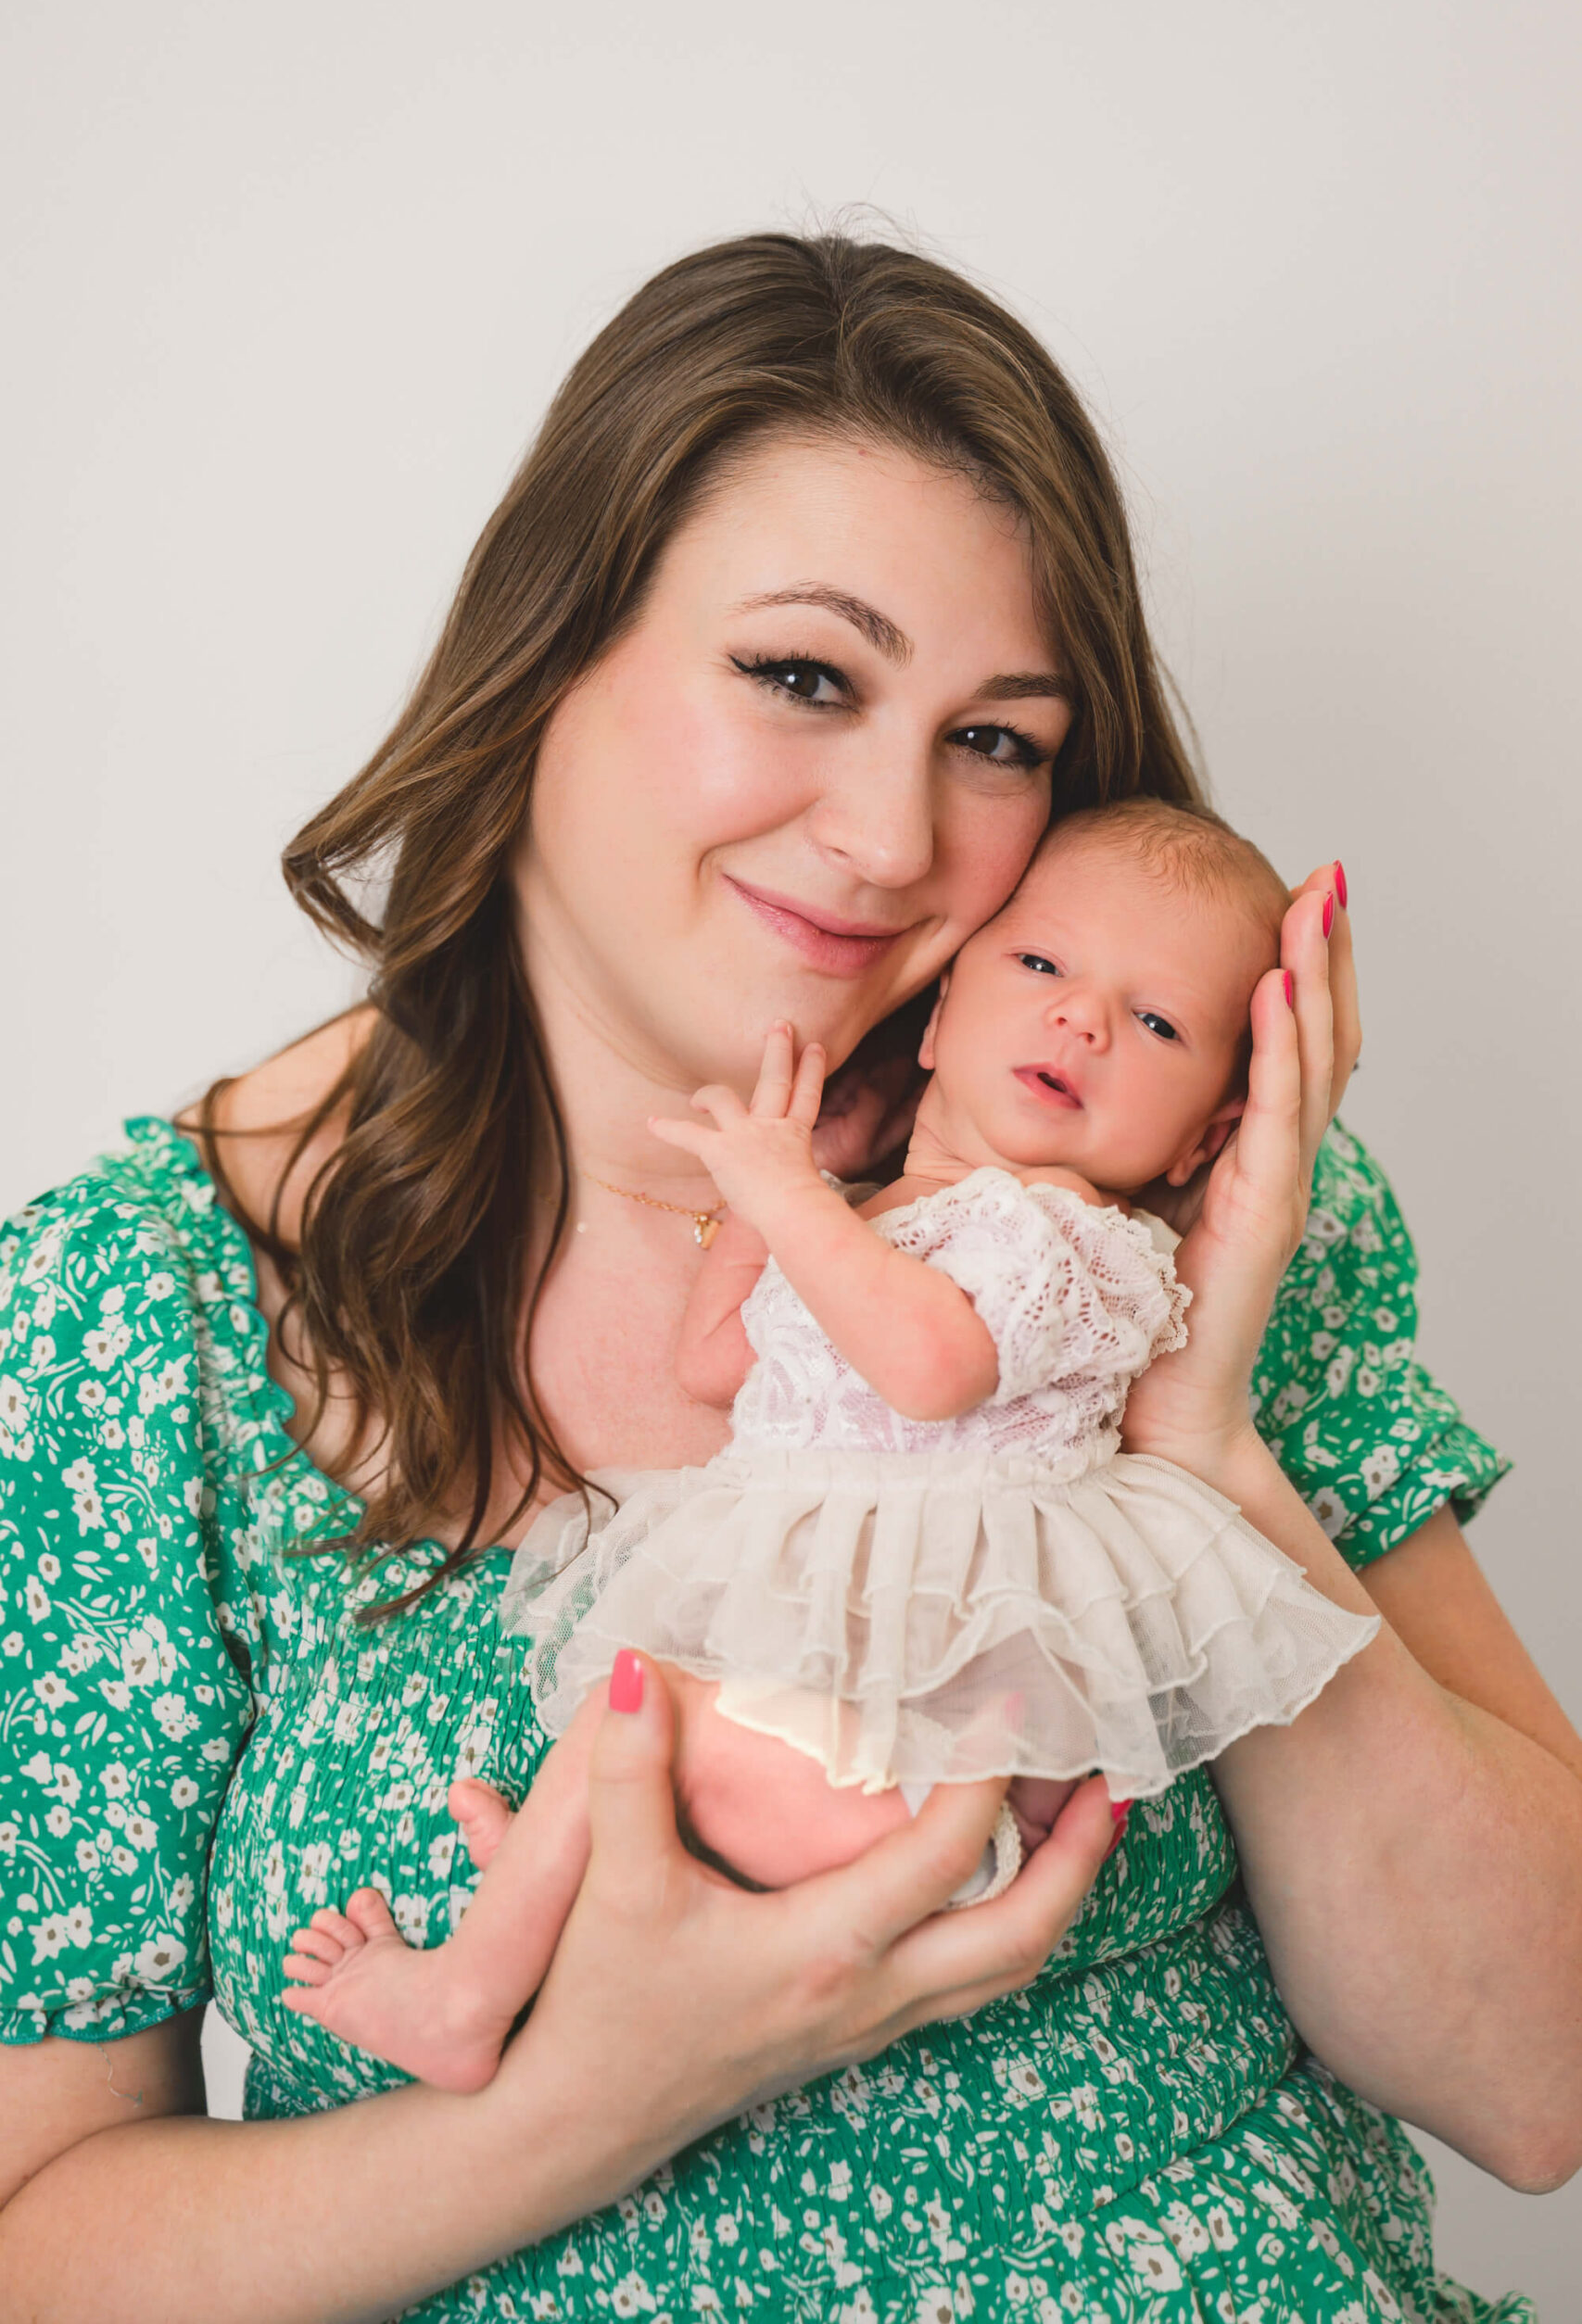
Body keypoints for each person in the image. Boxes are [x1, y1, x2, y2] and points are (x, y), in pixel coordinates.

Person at [1, 234, 1576, 2323]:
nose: (887, 832)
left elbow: (1531, 2073)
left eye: (996, 737)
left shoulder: (1160, 1204)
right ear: (546, 649)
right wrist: (596, 2093)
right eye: (803, 678)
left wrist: (1194, 1435)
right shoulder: (136, 1313)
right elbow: (43, 2245)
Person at [278, 800, 1386, 2099]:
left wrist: (792, 1201)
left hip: (926, 1763)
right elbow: (716, 1366)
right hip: (852, 1720)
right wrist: (778, 1185)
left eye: (1157, 1024)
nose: (1083, 1019)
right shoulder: (870, 1225)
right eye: (1041, 967)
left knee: (650, 1710)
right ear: (942, 1012)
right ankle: (562, 1892)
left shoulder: (1074, 1244)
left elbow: (930, 1370)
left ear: (1204, 1137)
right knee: (640, 1723)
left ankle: (475, 1985)